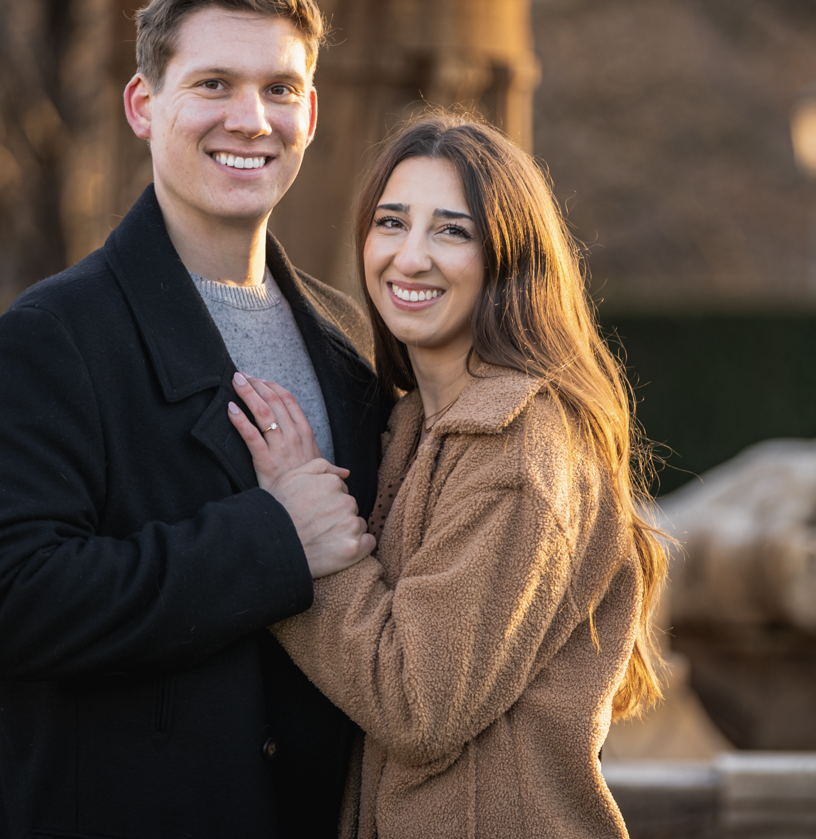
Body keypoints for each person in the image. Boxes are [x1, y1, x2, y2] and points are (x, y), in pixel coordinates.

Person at [0, 0, 386, 838]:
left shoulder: (350, 349)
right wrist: (272, 539)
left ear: (312, 112)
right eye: (214, 83)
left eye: (281, 89)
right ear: (146, 106)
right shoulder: (53, 337)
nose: (251, 119)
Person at [225, 115, 668, 838]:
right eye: (392, 222)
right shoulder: (410, 425)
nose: (410, 255)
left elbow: (417, 704)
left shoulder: (519, 446)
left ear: (506, 258)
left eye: (452, 231)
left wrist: (296, 542)